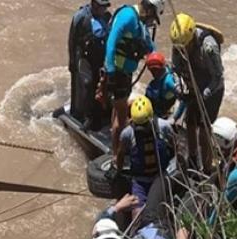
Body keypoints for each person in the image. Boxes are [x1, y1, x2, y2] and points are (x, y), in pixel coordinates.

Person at [104, 0, 165, 154]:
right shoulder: (128, 17)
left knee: (119, 110)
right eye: (153, 17)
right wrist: (110, 72)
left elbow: (151, 48)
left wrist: (163, 70)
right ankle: (116, 155)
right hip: (117, 73)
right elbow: (111, 42)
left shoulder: (140, 23)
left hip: (125, 73)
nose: (152, 22)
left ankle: (114, 141)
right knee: (123, 118)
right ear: (149, 9)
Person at [170, 13, 225, 173]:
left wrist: (204, 94)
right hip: (192, 85)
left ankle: (207, 167)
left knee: (204, 130)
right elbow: (175, 69)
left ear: (192, 37)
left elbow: (217, 76)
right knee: (190, 122)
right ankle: (193, 158)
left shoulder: (208, 47)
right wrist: (178, 86)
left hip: (212, 90)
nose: (182, 50)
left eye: (185, 47)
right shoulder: (179, 44)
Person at [113, 95, 175, 214]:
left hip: (160, 177)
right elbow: (120, 154)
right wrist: (118, 172)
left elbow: (174, 145)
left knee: (161, 211)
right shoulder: (127, 134)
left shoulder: (164, 126)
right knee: (136, 213)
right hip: (139, 181)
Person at [68, 0, 112, 130]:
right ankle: (85, 116)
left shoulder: (107, 17)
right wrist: (72, 61)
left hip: (101, 58)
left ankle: (101, 113)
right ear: (94, 4)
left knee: (102, 85)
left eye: (105, 7)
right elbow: (72, 40)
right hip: (85, 58)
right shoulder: (80, 17)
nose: (104, 10)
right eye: (101, 7)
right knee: (87, 84)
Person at [144, 52, 179, 119]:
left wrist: (175, 117)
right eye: (151, 70)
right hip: (152, 109)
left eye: (155, 70)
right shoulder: (161, 76)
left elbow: (183, 99)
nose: (152, 72)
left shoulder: (168, 82)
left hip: (161, 114)